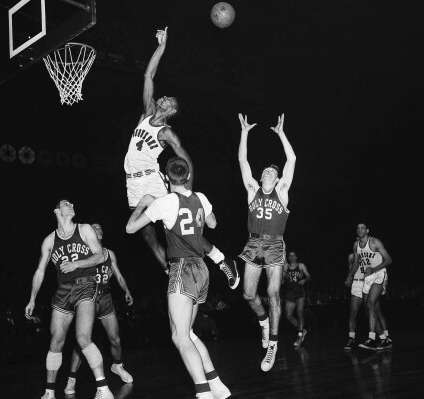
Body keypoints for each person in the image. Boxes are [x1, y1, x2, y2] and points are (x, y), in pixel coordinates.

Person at [123, 27, 239, 289]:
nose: (162, 97)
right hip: (132, 182)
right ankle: (169, 271)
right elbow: (148, 74)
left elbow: (186, 159)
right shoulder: (147, 112)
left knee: (176, 227)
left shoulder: (166, 132)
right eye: (163, 96)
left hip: (152, 180)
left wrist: (188, 191)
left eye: (168, 100)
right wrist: (162, 47)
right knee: (147, 236)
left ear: (171, 110)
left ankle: (221, 259)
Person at [126, 157, 231, 399]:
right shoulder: (201, 198)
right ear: (186, 177)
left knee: (180, 336)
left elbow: (130, 229)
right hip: (202, 270)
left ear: (166, 177)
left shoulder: (164, 203)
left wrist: (142, 204)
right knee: (190, 333)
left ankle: (203, 393)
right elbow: (213, 224)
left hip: (182, 269)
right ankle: (217, 386)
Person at [24, 199, 113, 399]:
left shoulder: (85, 229)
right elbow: (39, 271)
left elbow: (100, 256)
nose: (71, 205)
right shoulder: (49, 240)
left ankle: (104, 389)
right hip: (63, 290)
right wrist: (32, 299)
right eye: (66, 203)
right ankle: (49, 392)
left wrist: (76, 264)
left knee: (83, 338)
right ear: (57, 210)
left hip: (86, 285)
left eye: (73, 203)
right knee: (56, 341)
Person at [237, 113, 296, 372]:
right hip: (253, 244)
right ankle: (263, 321)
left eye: (273, 170)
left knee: (273, 293)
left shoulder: (282, 193)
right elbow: (242, 160)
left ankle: (272, 343)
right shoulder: (252, 189)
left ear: (278, 177)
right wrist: (245, 132)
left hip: (275, 245)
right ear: (261, 178)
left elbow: (292, 159)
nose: (268, 171)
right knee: (249, 295)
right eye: (266, 170)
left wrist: (281, 133)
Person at [64, 223, 134, 395]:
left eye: (101, 229)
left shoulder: (109, 253)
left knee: (115, 339)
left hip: (105, 297)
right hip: (87, 296)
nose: (99, 230)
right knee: (83, 341)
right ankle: (71, 379)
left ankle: (118, 366)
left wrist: (126, 290)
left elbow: (117, 274)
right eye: (95, 229)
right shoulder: (82, 253)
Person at [352, 223, 393, 351]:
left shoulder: (375, 242)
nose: (360, 229)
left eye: (362, 227)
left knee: (370, 303)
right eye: (358, 228)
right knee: (369, 308)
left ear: (367, 230)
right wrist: (350, 277)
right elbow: (355, 263)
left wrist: (374, 269)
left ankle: (371, 338)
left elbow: (389, 260)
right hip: (367, 277)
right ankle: (384, 339)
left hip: (379, 273)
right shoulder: (356, 245)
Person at [282, 251, 311, 347]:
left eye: (294, 255)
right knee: (288, 315)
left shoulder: (301, 265)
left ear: (296, 257)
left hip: (299, 292)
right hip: (290, 293)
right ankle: (302, 330)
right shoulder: (285, 267)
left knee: (299, 313)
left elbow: (309, 277)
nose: (292, 257)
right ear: (288, 258)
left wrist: (304, 279)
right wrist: (281, 277)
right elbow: (282, 281)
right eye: (290, 256)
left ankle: (299, 337)